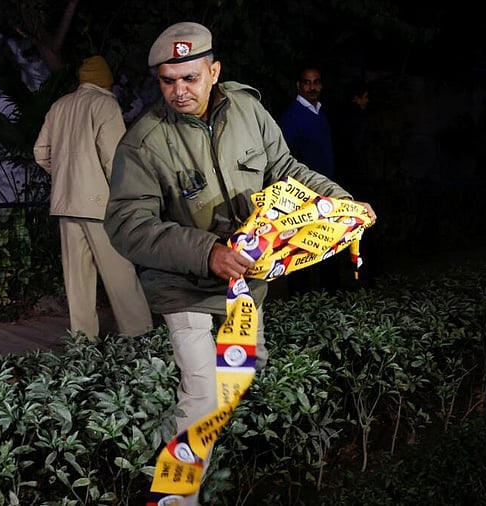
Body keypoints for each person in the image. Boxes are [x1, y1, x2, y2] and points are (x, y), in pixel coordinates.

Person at [104, 22, 376, 503]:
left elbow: (286, 170)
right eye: (168, 81)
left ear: (214, 70)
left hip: (245, 290)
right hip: (183, 287)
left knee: (237, 380)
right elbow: (127, 225)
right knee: (204, 400)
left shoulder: (248, 108)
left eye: (189, 78)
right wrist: (207, 252)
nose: (179, 91)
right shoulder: (143, 142)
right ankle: (172, 495)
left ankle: (170, 433)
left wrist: (344, 204)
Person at [33, 55, 154, 340]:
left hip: (66, 202)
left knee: (77, 279)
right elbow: (115, 159)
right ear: (106, 80)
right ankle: (139, 334)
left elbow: (41, 153)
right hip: (100, 205)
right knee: (120, 273)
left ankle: (83, 341)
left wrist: (66, 174)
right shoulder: (105, 104)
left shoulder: (59, 106)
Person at [279, 66, 340, 293]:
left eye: (316, 82)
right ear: (298, 85)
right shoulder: (292, 116)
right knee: (300, 251)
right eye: (307, 82)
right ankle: (299, 300)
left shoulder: (320, 112)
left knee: (325, 245)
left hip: (325, 191)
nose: (312, 87)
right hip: (303, 195)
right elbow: (286, 158)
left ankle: (327, 296)